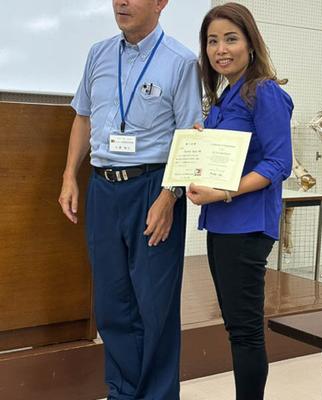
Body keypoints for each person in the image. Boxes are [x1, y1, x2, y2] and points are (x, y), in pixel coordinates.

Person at [58, 0, 202, 399]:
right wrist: (70, 174)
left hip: (152, 188)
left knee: (154, 306)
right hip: (103, 189)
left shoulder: (181, 61)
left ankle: (156, 394)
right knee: (112, 302)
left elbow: (189, 137)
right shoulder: (99, 53)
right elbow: (83, 116)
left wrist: (169, 197)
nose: (121, 2)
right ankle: (122, 391)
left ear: (161, 4)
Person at [187, 3, 293, 399]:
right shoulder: (226, 96)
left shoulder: (263, 91)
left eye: (231, 38)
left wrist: (224, 191)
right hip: (222, 225)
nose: (221, 49)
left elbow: (279, 162)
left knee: (245, 330)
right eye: (212, 41)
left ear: (251, 43)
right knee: (236, 326)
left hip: (246, 226)